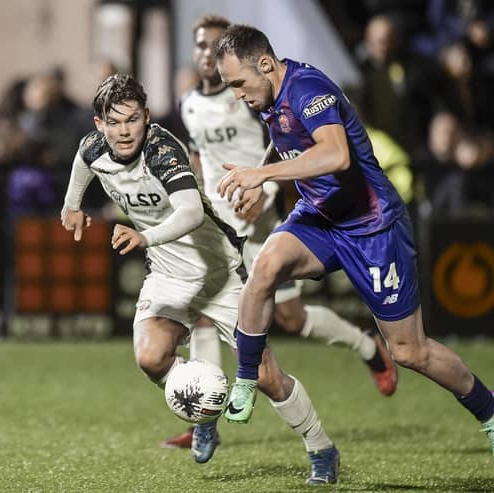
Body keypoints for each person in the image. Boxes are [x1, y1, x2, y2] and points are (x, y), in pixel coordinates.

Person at [211, 24, 494, 458]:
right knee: (265, 267)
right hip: (321, 218)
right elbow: (287, 136)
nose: (237, 95)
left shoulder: (309, 88)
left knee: (410, 351)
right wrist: (261, 176)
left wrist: (262, 175)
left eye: (238, 84)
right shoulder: (268, 92)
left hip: (372, 226)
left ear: (265, 64)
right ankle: (248, 378)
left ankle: (489, 413)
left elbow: (336, 155)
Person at [61, 73, 340, 484]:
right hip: (168, 274)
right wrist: (71, 205)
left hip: (220, 273)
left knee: (264, 376)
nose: (124, 131)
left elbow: (191, 212)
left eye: (132, 120)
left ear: (147, 117)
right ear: (99, 124)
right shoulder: (93, 147)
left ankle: (321, 448)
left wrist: (144, 236)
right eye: (114, 122)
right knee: (150, 357)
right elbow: (83, 163)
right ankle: (205, 409)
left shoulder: (161, 150)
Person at [163, 14, 397, 450]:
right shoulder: (189, 104)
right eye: (200, 46)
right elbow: (200, 162)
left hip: (260, 217)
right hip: (220, 222)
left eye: (214, 46)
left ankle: (366, 347)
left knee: (291, 318)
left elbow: (285, 148)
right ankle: (205, 421)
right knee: (203, 311)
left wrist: (266, 189)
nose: (206, 54)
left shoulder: (255, 97)